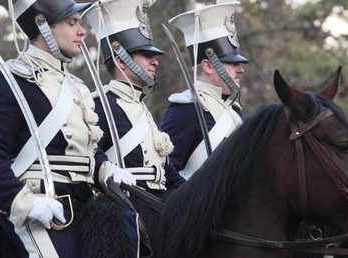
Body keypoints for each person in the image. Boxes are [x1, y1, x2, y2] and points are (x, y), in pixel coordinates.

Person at [0, 0, 137, 257]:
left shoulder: (77, 86)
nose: (82, 31)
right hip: (39, 208)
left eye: (80, 23)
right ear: (42, 26)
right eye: (72, 23)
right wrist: (23, 202)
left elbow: (88, 148)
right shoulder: (12, 80)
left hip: (86, 204)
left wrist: (105, 169)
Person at [82, 0, 185, 198]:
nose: (155, 61)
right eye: (146, 55)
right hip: (125, 211)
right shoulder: (100, 107)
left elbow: (168, 174)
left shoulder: (143, 110)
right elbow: (89, 158)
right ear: (121, 60)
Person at [160, 0, 249, 180]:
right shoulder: (186, 109)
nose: (241, 69)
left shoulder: (235, 113)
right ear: (209, 66)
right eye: (232, 63)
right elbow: (166, 172)